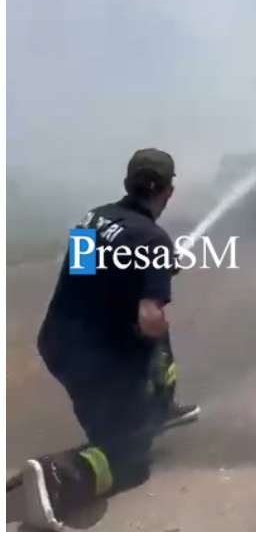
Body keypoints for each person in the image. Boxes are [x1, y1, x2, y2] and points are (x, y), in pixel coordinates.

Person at [22, 148, 198, 530]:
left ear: (126, 183)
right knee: (129, 459)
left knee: (115, 427)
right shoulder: (152, 238)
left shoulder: (94, 217)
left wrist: (142, 275)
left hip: (58, 345)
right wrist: (153, 278)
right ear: (168, 191)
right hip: (98, 361)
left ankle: (147, 413)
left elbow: (87, 274)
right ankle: (58, 478)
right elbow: (150, 319)